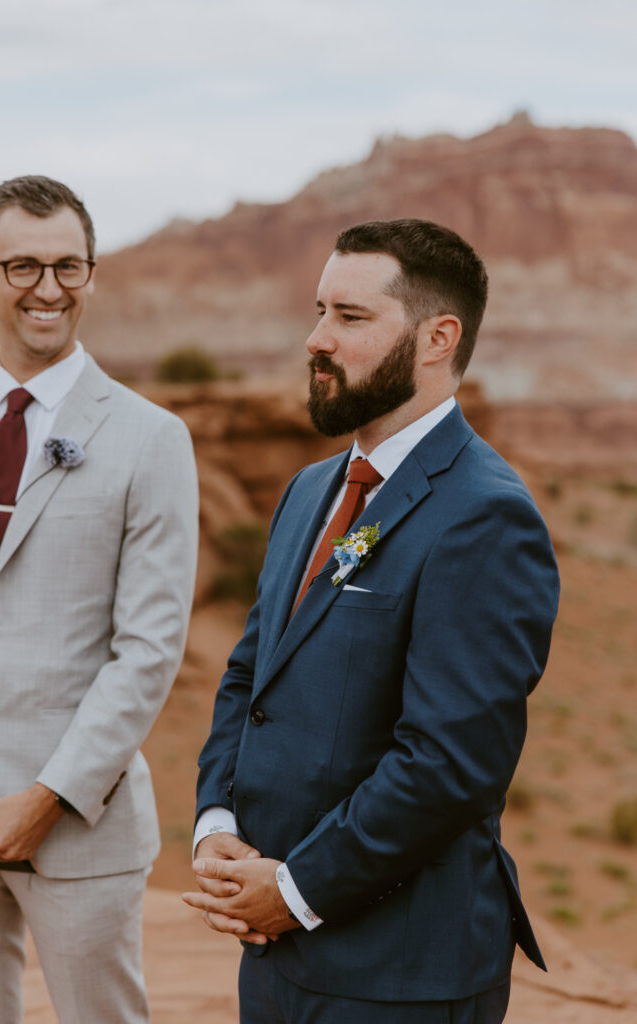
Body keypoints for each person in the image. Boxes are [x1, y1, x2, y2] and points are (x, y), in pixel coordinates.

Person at [183, 219, 559, 1023]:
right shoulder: (309, 491)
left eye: (350, 319)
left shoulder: (485, 517)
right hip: (276, 955)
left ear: (437, 337)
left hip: (400, 973)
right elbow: (252, 675)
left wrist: (294, 889)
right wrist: (217, 822)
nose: (317, 339)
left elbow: (449, 762)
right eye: (319, 311)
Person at [0, 175, 198, 1024]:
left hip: (78, 827)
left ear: (92, 275)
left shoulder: (151, 439)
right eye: (23, 267)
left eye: (68, 267)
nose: (48, 290)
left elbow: (151, 646)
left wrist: (49, 795)